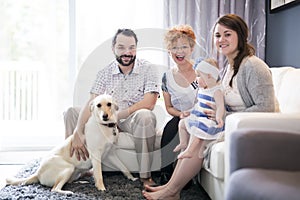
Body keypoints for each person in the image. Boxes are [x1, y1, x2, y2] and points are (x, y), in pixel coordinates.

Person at [143, 14, 276, 200]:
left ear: (241, 35)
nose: (221, 40)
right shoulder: (229, 67)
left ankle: (171, 191)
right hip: (227, 122)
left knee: (201, 137)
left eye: (227, 34)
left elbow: (267, 108)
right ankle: (171, 187)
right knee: (191, 127)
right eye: (217, 35)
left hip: (245, 126)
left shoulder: (253, 66)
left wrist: (224, 117)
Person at [63, 28, 161, 187]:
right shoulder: (105, 72)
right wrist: (77, 131)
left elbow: (149, 102)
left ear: (137, 48)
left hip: (131, 119)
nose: (127, 52)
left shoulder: (148, 69)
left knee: (145, 115)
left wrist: (117, 116)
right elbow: (92, 102)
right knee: (71, 113)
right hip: (108, 117)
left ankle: (145, 177)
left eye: (132, 47)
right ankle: (72, 164)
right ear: (113, 49)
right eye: (121, 47)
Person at [159, 24, 199, 185]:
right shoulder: (166, 77)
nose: (179, 52)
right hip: (182, 117)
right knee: (173, 125)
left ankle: (185, 175)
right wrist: (181, 114)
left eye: (184, 47)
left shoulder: (202, 69)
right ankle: (166, 173)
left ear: (191, 48)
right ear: (169, 51)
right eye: (174, 48)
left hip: (202, 116)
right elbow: (169, 107)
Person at [173, 58, 225, 160]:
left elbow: (220, 106)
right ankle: (183, 143)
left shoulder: (216, 91)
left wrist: (219, 117)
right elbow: (198, 105)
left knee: (196, 130)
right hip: (199, 115)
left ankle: (189, 151)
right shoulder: (202, 89)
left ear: (210, 76)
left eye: (199, 76)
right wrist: (190, 111)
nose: (196, 79)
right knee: (182, 123)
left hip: (208, 119)